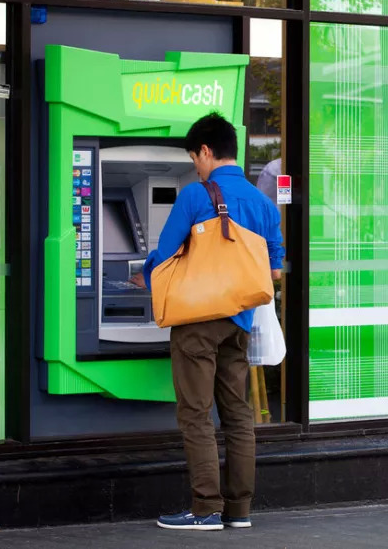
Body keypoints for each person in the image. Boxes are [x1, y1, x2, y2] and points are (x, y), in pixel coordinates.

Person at [141, 112, 284, 531]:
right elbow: (273, 272)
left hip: (198, 320)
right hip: (239, 321)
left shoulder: (195, 195)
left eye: (194, 158)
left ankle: (205, 509)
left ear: (205, 151)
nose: (196, 167)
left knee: (196, 414)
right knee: (237, 414)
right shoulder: (264, 204)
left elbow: (165, 255)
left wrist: (142, 275)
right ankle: (239, 511)